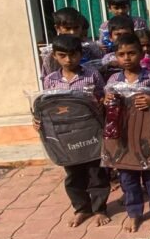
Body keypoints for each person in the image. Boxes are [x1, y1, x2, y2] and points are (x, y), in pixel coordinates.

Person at [37, 34, 110, 228]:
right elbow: (48, 107)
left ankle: (100, 209)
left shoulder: (91, 74)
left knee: (96, 172)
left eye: (73, 55)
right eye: (63, 55)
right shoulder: (51, 80)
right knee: (73, 174)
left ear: (81, 54)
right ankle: (81, 209)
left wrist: (101, 103)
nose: (68, 60)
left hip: (90, 131)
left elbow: (103, 97)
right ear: (55, 56)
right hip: (66, 135)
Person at [105, 33, 150, 232]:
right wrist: (107, 100)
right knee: (127, 176)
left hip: (146, 133)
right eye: (121, 54)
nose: (127, 58)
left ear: (141, 54)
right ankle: (134, 214)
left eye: (131, 53)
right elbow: (106, 105)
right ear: (116, 56)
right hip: (123, 134)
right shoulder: (113, 80)